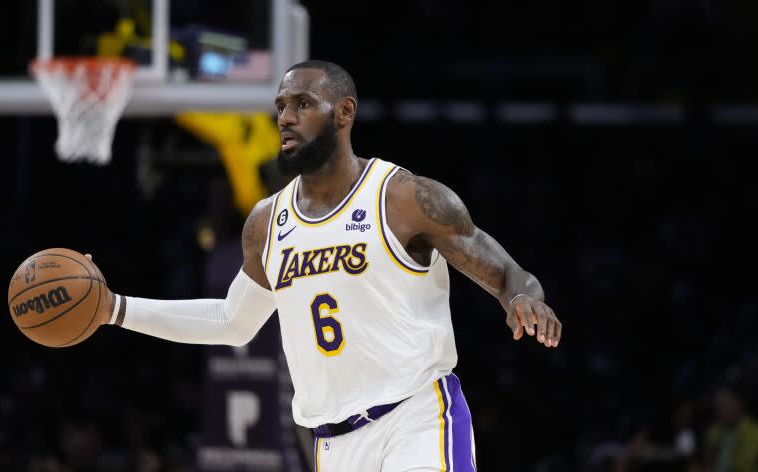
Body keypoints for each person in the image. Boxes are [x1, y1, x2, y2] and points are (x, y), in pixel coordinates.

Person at [91, 60, 562, 471]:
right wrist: (114, 308)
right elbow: (230, 322)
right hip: (333, 446)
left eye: (302, 104)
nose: (286, 118)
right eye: (280, 106)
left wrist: (523, 298)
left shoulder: (404, 198)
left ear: (344, 112)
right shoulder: (265, 223)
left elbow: (506, 272)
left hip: (416, 419)